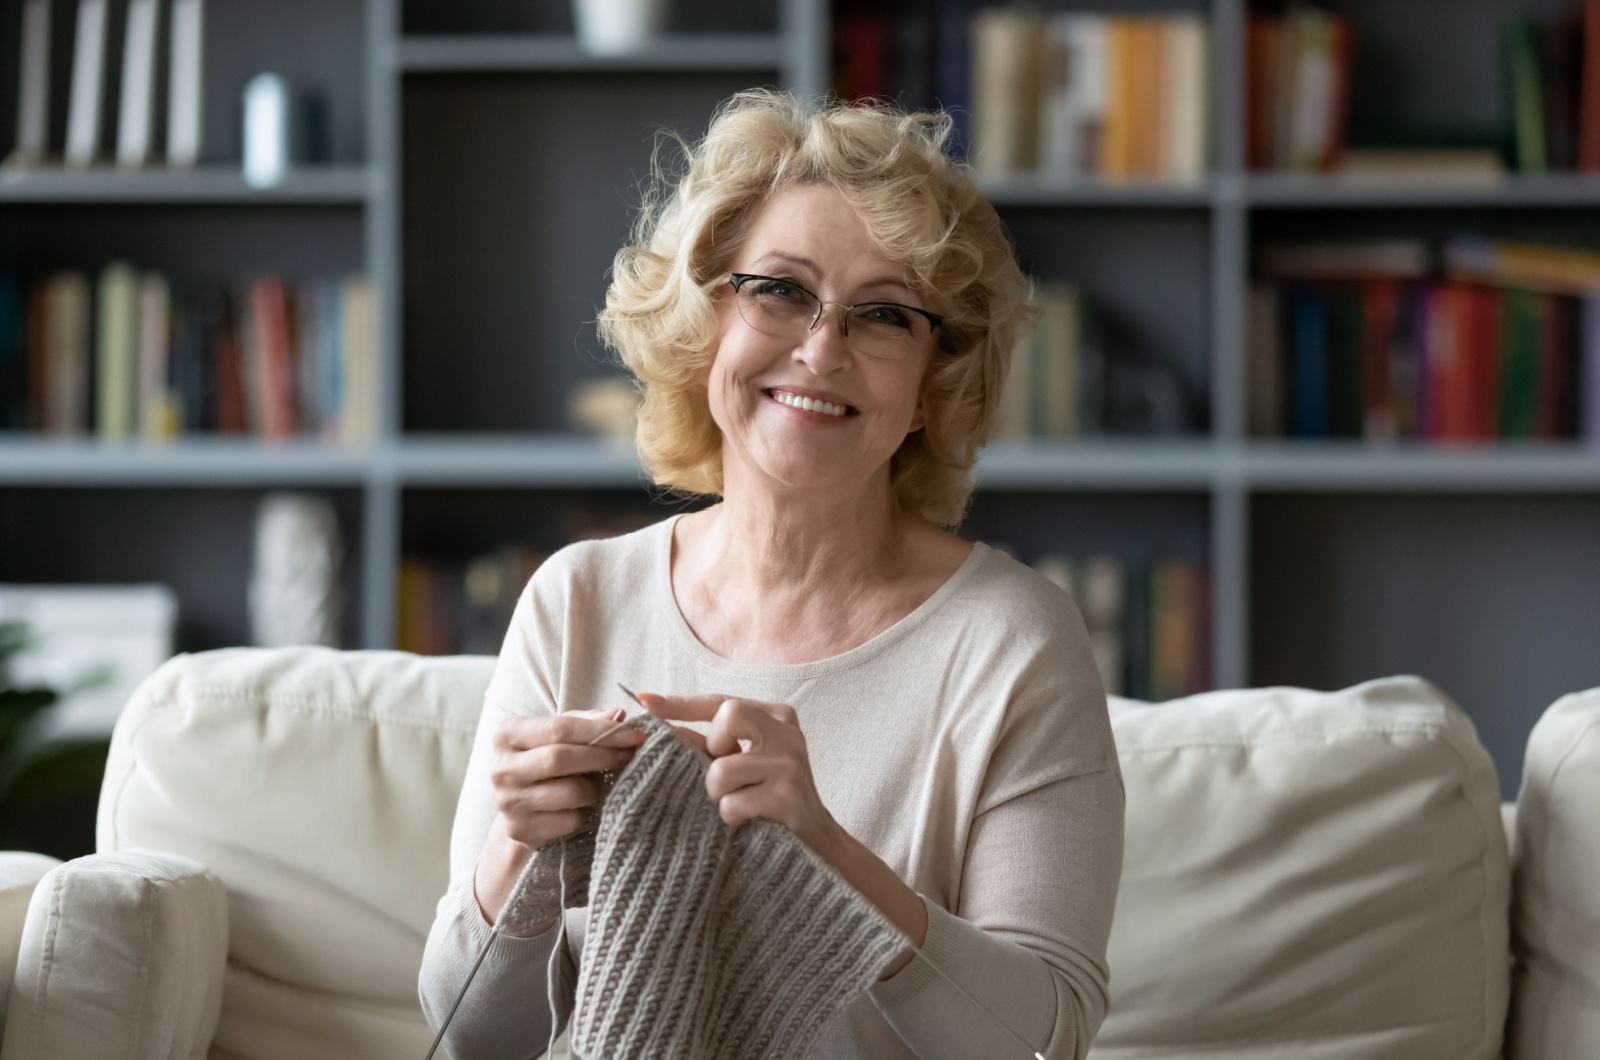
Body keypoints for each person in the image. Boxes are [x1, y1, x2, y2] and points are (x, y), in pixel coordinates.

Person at [419, 88, 1124, 1060]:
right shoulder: (575, 600)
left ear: (932, 384)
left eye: (883, 314)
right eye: (781, 291)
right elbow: (469, 1034)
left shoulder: (1013, 639)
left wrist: (823, 846)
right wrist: (516, 851)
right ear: (708, 317)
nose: (821, 347)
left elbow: (1043, 1033)